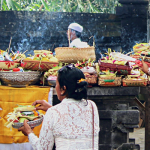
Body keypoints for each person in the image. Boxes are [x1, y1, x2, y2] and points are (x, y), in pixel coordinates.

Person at [18, 64, 100, 150]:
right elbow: (72, 118)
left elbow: (42, 148)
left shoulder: (53, 112)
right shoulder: (92, 106)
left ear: (63, 89)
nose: (55, 87)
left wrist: (29, 132)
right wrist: (51, 108)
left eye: (56, 84)